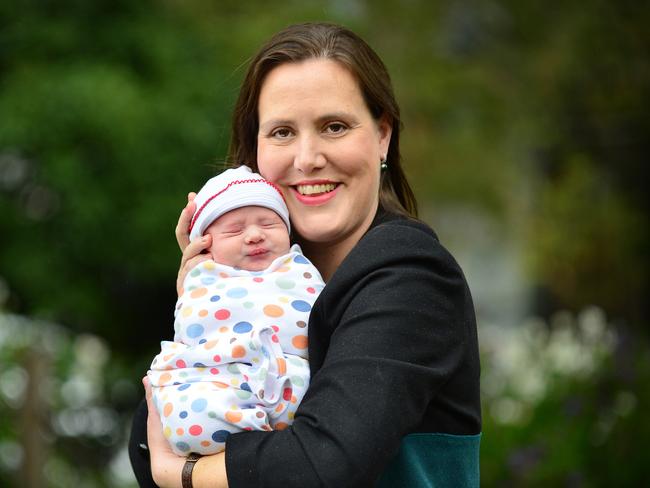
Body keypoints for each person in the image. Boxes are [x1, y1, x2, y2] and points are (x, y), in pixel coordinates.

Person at [129, 22, 481, 488]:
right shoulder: (271, 282)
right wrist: (202, 303)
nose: (307, 157)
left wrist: (186, 476)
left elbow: (321, 465)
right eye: (281, 132)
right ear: (255, 150)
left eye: (334, 126)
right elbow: (154, 437)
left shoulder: (412, 276)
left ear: (382, 135)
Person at [147, 165, 324, 456]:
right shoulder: (204, 277)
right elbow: (190, 338)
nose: (254, 235)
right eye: (234, 229)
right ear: (205, 245)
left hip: (289, 383)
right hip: (219, 377)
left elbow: (316, 320)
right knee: (185, 406)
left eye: (269, 224)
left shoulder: (298, 269)